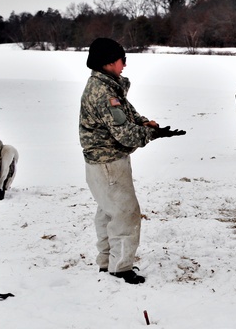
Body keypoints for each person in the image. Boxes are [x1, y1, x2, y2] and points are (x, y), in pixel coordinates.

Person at [79, 37, 185, 285]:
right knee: (125, 213)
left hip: (102, 161)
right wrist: (151, 134)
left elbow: (127, 114)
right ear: (109, 62)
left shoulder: (106, 85)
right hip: (108, 163)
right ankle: (121, 267)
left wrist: (145, 123)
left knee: (108, 212)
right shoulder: (104, 93)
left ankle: (107, 261)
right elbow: (124, 133)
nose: (124, 65)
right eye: (121, 60)